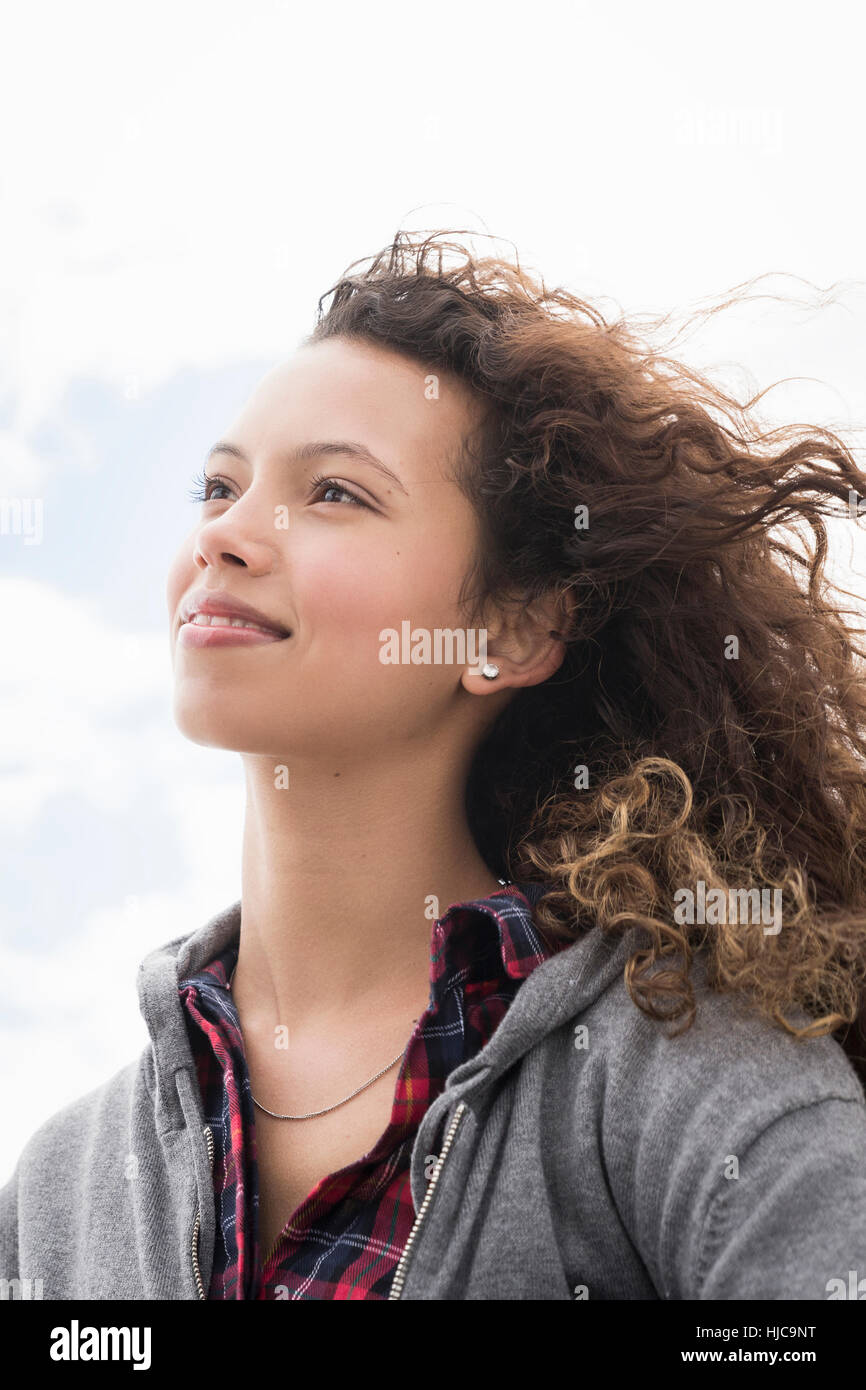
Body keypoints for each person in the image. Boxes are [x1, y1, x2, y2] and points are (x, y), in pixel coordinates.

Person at [3, 230, 866, 1300]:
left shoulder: (694, 1088)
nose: (225, 535)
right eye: (217, 486)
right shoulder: (53, 1193)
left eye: (333, 494)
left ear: (509, 629)